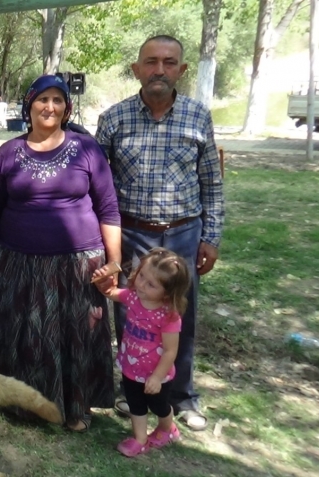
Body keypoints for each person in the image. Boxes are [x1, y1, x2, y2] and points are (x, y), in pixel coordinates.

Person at [95, 34, 224, 432]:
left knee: (177, 316)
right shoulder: (114, 119)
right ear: (136, 69)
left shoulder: (197, 116)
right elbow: (98, 186)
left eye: (169, 63)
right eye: (151, 62)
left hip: (184, 235)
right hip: (133, 234)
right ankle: (131, 386)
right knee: (132, 314)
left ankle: (181, 395)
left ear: (181, 71)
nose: (159, 70)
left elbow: (211, 182)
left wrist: (212, 237)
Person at [0, 74, 120, 432]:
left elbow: (108, 208)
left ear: (66, 107)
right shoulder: (8, 152)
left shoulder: (87, 149)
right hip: (18, 263)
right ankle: (27, 405)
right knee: (25, 334)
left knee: (76, 334)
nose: (50, 107)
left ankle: (75, 408)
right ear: (29, 105)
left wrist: (114, 262)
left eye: (58, 100)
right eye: (43, 99)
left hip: (78, 264)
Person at [92, 247, 190, 457]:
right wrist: (105, 283)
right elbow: (110, 293)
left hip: (157, 375)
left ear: (168, 292)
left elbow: (170, 352)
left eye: (151, 284)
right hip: (131, 367)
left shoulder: (169, 316)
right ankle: (140, 440)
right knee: (136, 404)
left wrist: (157, 377)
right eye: (142, 276)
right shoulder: (133, 297)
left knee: (160, 406)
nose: (142, 284)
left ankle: (167, 429)